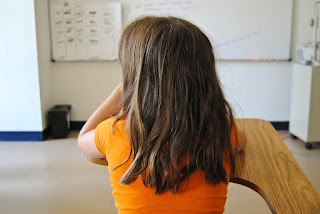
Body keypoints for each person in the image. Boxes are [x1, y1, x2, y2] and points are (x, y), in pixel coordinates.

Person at [78, 16, 247, 214]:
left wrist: (120, 91)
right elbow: (242, 142)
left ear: (137, 78)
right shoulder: (222, 132)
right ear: (204, 78)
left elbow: (83, 139)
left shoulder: (114, 132)